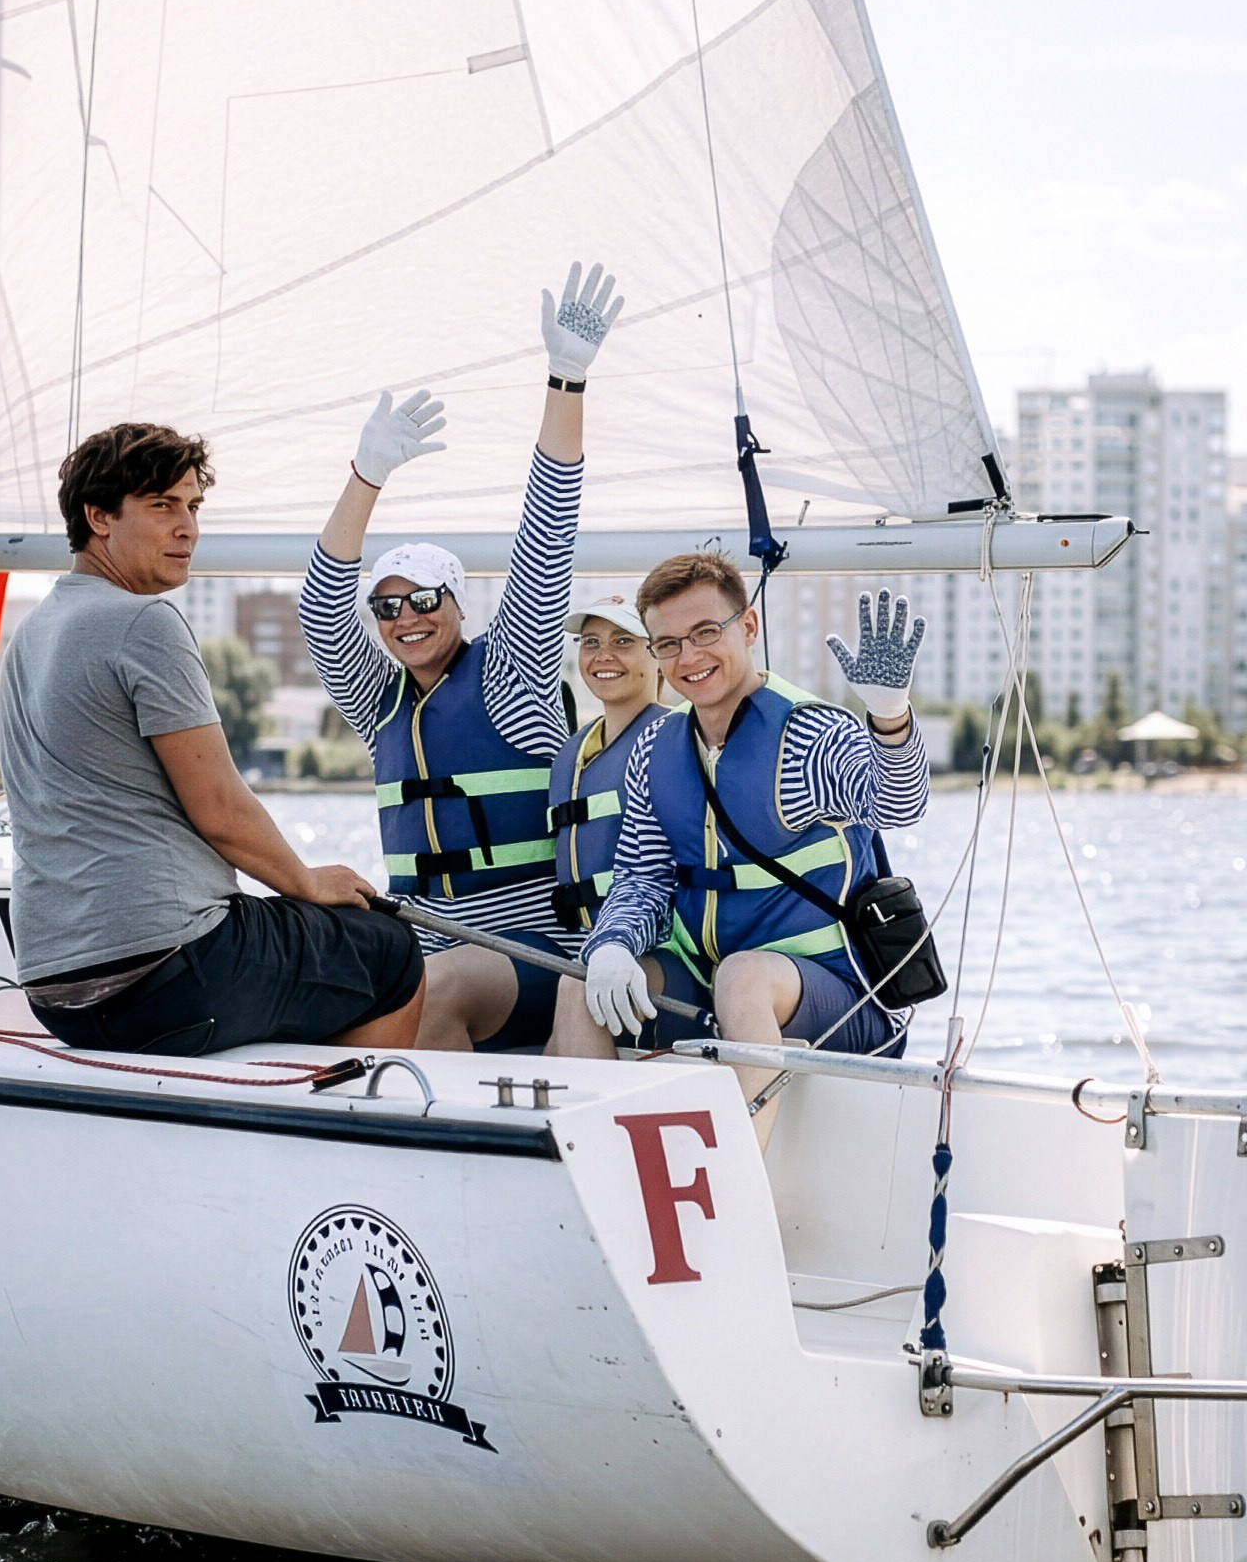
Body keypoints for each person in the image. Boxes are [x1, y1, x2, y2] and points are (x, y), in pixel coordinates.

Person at [0, 420, 423, 1058]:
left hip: (56, 989)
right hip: (168, 974)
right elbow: (220, 811)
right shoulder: (143, 622)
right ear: (99, 516)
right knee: (388, 954)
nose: (187, 528)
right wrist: (306, 881)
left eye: (192, 506)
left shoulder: (31, 635)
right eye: (162, 506)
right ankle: (349, 1137)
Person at [299, 261, 621, 1052]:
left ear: (457, 603)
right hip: (421, 939)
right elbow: (317, 608)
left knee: (430, 993)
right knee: (313, 993)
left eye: (424, 600)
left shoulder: (509, 673)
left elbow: (546, 540)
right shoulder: (382, 709)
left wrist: (566, 382)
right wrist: (366, 473)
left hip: (532, 953)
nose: (406, 618)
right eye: (387, 605)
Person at [578, 558, 931, 1138]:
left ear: (748, 627)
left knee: (743, 978)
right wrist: (611, 946)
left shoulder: (811, 735)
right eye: (668, 644)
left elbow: (897, 805)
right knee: (579, 984)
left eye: (706, 633)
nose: (689, 657)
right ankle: (594, 1179)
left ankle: (734, 1196)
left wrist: (889, 719)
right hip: (712, 983)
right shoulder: (655, 750)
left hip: (838, 995)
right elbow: (642, 878)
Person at [545, 597, 708, 1055]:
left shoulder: (680, 742)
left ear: (657, 656)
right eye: (591, 642)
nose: (603, 655)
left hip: (671, 958)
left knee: (574, 987)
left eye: (623, 642)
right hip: (585, 949)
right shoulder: (570, 756)